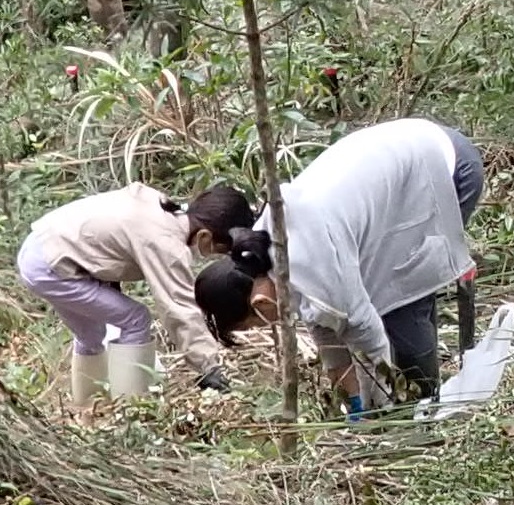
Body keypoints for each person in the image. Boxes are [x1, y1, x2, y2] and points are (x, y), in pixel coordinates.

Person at [207, 118, 484, 413]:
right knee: (386, 304)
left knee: (402, 306)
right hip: (408, 155)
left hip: (442, 166)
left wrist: (373, 413)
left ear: (260, 303)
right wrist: (350, 401)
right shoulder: (270, 252)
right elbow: (326, 332)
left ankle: (425, 407)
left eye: (255, 324)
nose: (267, 325)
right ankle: (417, 402)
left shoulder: (309, 261)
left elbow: (370, 341)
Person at [17, 181, 253, 410]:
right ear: (205, 237)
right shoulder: (166, 244)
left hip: (39, 250)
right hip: (51, 266)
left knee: (91, 334)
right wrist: (209, 367)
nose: (214, 257)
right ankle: (130, 412)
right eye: (220, 251)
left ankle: (87, 407)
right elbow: (180, 309)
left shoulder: (159, 206)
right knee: (135, 319)